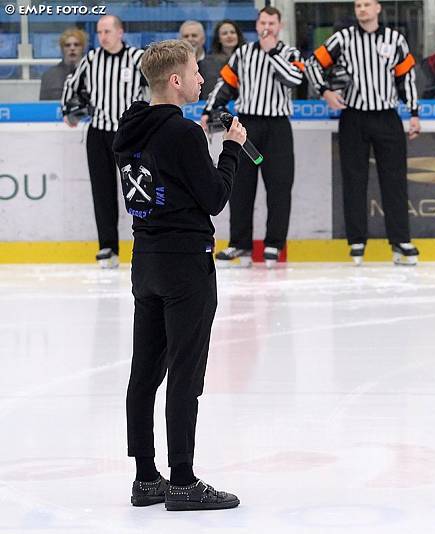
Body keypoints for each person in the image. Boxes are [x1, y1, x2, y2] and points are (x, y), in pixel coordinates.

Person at [113, 39, 244, 511]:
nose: (201, 79)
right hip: (186, 263)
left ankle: (146, 477)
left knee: (143, 373)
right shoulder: (183, 133)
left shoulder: (128, 128)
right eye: (194, 72)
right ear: (174, 80)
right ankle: (184, 481)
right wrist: (231, 150)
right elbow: (213, 198)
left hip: (145, 258)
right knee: (185, 376)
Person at [305, 0, 422, 266]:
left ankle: (400, 241)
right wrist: (325, 92)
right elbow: (312, 64)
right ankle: (356, 241)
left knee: (394, 181)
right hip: (354, 117)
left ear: (378, 8)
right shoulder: (342, 38)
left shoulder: (395, 39)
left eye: (367, 4)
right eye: (358, 5)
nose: (362, 9)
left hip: (387, 116)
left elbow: (407, 77)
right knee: (354, 180)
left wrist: (414, 113)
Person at [203, 7, 303, 268]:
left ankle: (273, 244)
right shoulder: (243, 54)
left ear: (279, 26)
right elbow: (224, 85)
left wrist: (271, 53)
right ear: (256, 26)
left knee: (279, 188)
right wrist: (208, 110)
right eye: (262, 22)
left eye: (271, 22)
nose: (266, 27)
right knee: (241, 187)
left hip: (278, 127)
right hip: (248, 124)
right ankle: (240, 244)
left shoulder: (290, 53)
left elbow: (294, 80)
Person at [61, 15, 147, 268]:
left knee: (138, 190)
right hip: (98, 133)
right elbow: (71, 85)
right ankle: (107, 247)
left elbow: (155, 87)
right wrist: (69, 111)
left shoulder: (137, 58)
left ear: (120, 32)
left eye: (107, 31)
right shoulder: (91, 59)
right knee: (103, 192)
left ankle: (144, 244)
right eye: (99, 32)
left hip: (130, 134)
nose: (103, 36)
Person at [179, 20, 222, 100]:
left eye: (194, 35)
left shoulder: (218, 63)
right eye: (186, 36)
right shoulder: (174, 65)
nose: (190, 39)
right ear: (180, 40)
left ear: (203, 39)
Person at [39, 28, 87, 100]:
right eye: (67, 45)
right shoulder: (49, 76)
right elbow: (44, 107)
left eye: (76, 45)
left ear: (83, 48)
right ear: (62, 49)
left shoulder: (93, 74)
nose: (72, 48)